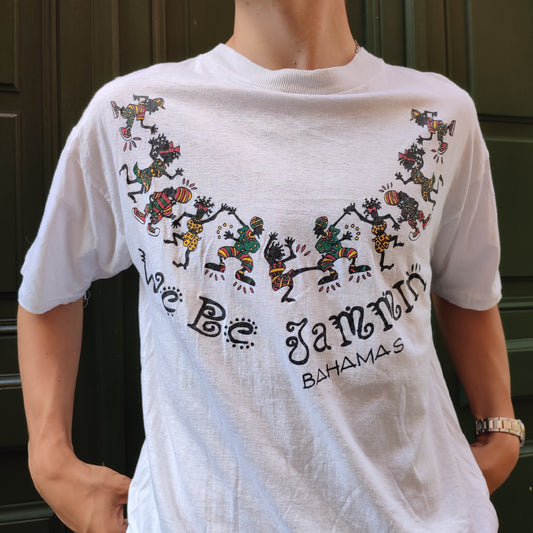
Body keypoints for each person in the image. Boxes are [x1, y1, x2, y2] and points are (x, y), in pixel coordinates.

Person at [17, 1, 523, 531]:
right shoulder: (132, 116)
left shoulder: (440, 116)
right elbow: (49, 287)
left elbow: (469, 289)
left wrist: (501, 431)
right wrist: (50, 461)